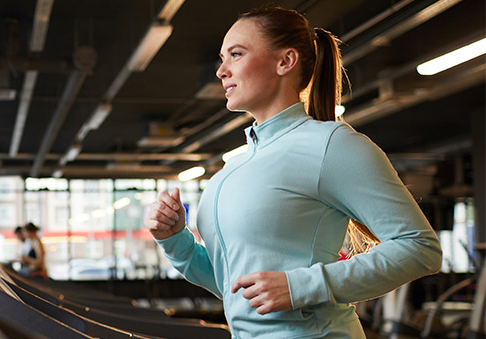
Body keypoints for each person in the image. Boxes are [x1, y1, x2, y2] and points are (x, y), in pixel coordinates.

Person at [145, 7, 442, 338]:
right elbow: (236, 290)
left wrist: (302, 285)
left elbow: (419, 247)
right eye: (222, 57)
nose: (221, 71)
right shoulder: (233, 170)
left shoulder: (331, 144)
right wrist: (176, 241)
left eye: (236, 54)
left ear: (285, 62)